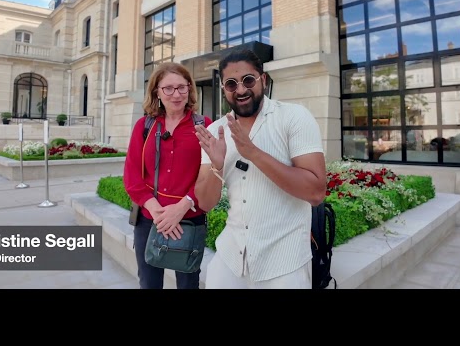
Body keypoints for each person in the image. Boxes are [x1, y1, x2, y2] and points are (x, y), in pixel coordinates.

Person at [194, 48, 327, 289]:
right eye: (231, 84)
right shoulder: (216, 132)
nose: (241, 90)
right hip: (230, 259)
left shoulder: (293, 117)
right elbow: (205, 203)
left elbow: (316, 192)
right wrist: (216, 165)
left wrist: (253, 152)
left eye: (248, 80)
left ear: (263, 80)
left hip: (285, 263)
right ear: (223, 89)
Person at [123, 62, 212, 289]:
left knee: (188, 285)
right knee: (149, 284)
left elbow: (211, 175)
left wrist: (181, 208)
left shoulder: (204, 126)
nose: (176, 94)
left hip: (190, 221)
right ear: (157, 92)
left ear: (189, 89)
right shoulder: (145, 126)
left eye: (182, 87)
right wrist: (157, 212)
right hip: (149, 221)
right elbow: (132, 176)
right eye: (168, 88)